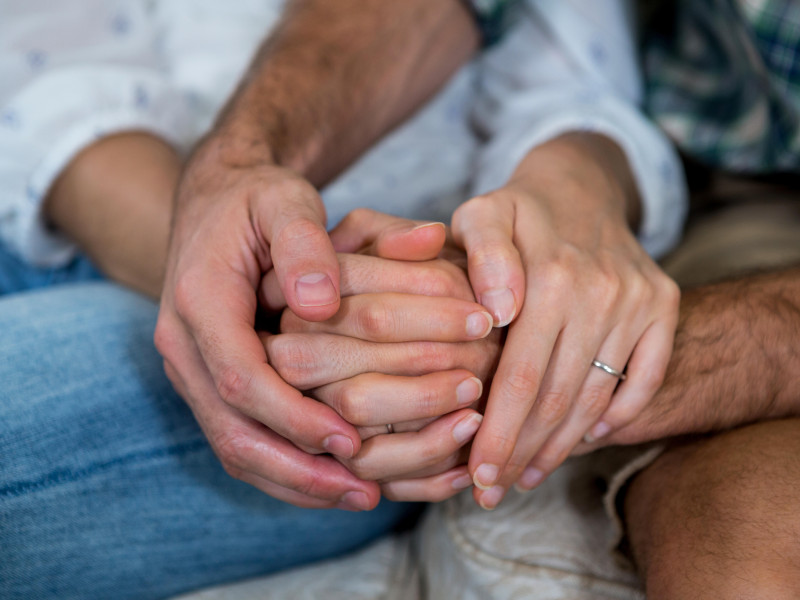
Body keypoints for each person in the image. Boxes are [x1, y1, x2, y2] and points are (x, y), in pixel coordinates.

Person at [0, 1, 688, 598]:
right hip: (140, 245)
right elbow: (44, 71)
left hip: (369, 330)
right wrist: (265, 294)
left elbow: (575, 89)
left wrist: (559, 200)